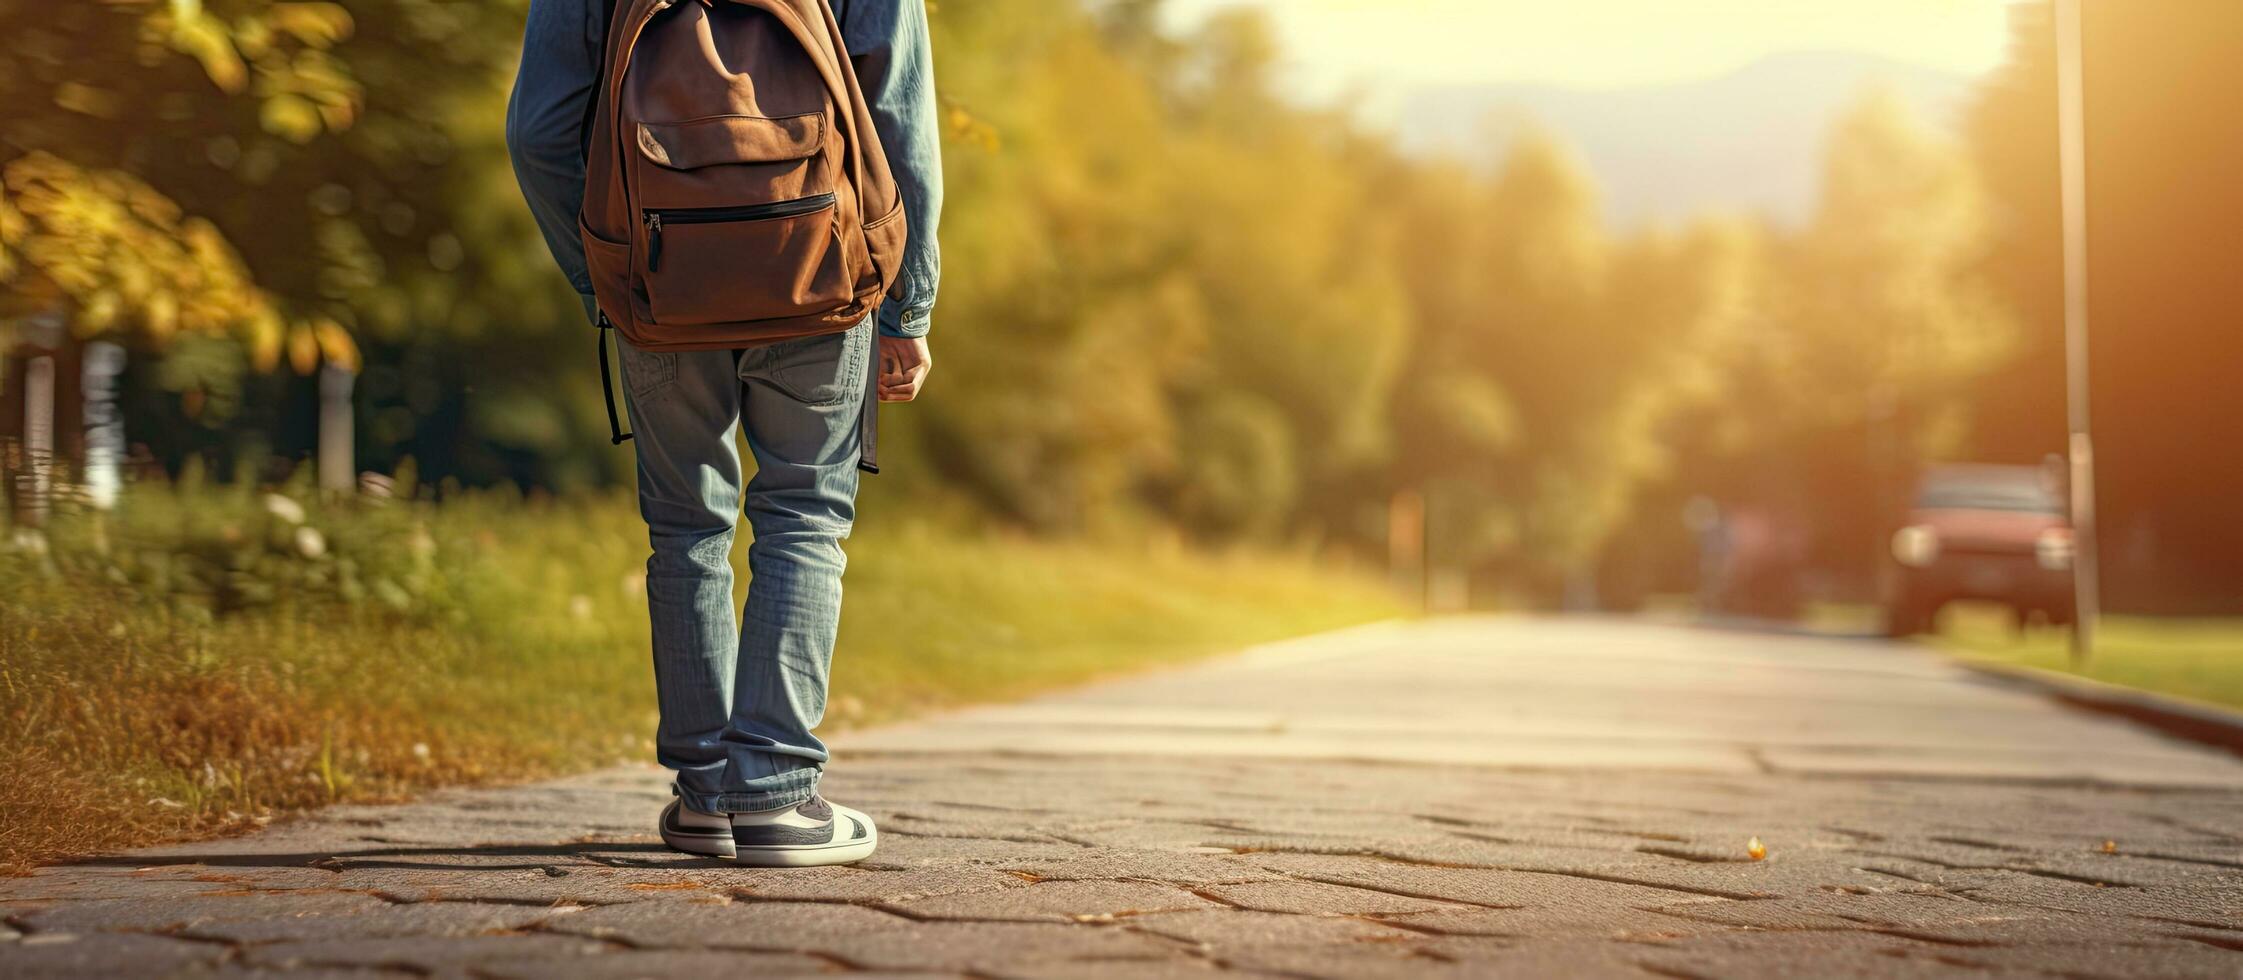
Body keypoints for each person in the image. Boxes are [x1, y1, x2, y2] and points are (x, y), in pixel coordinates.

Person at [503, 0, 942, 866]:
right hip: (818, 262)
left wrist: (604, 276)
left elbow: (538, 132)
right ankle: (775, 792)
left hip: (659, 281)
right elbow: (896, 113)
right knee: (803, 514)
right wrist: (908, 302)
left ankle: (706, 795)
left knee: (685, 528)